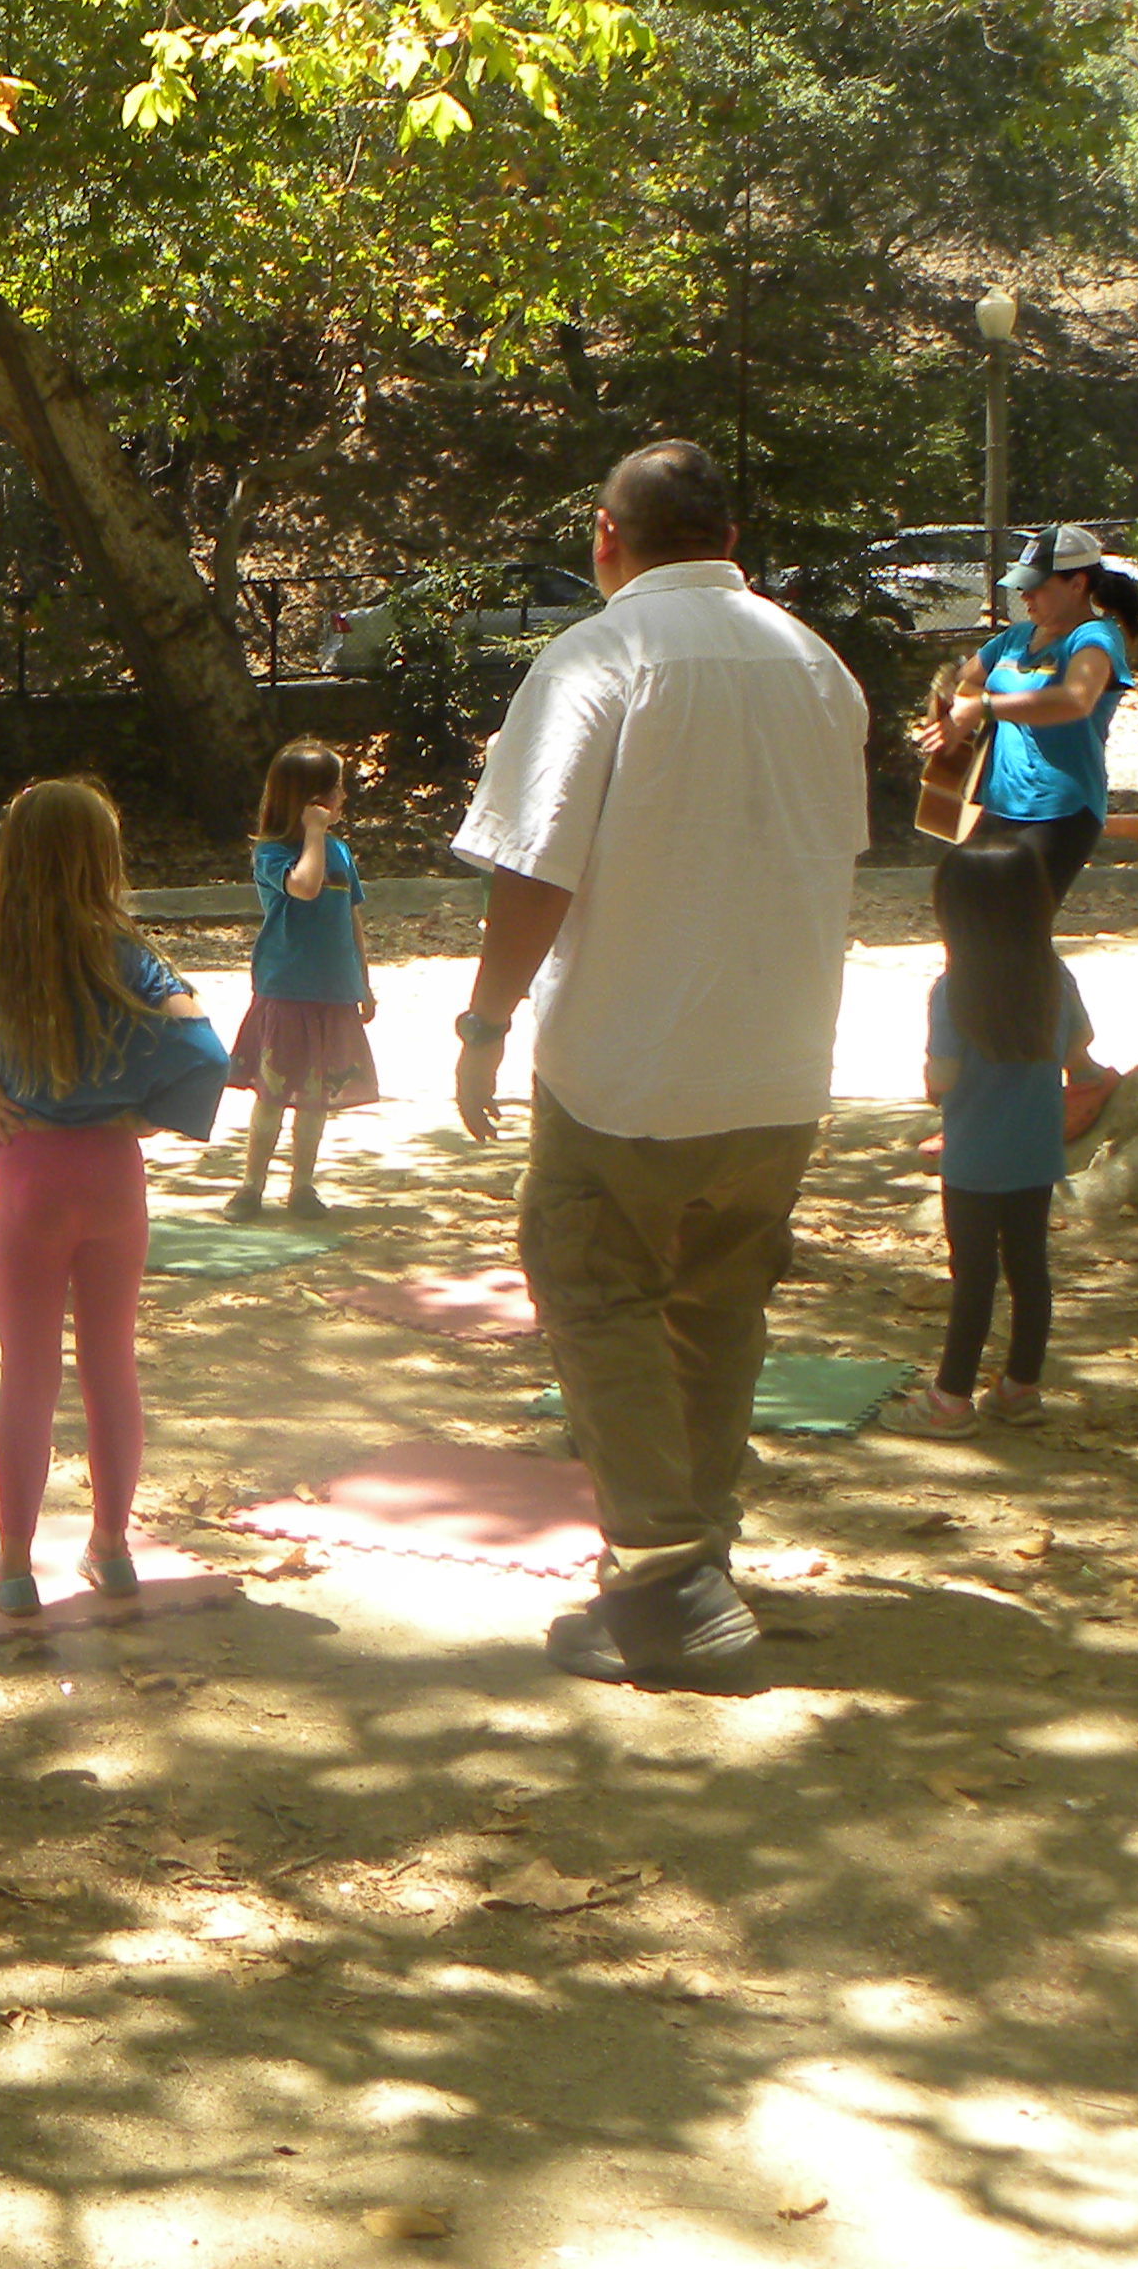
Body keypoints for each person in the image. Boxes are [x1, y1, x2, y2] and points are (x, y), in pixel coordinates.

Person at [450, 439, 868, 1693]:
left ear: (604, 535)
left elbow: (534, 865)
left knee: (596, 1290)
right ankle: (699, 1547)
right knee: (719, 1306)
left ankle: (666, 1579)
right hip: (780, 1067)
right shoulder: (817, 665)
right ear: (728, 538)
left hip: (628, 1068)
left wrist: (484, 1023)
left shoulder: (596, 657)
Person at [0, 777, 229, 1616]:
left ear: (14, 857)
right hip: (114, 1175)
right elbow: (207, 1052)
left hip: (31, 1174)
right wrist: (144, 1114)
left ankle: (14, 1567)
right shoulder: (128, 955)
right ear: (103, 859)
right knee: (111, 1365)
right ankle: (112, 1549)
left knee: (28, 1377)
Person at [881, 836, 1090, 1437]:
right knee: (1030, 1269)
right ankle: (1020, 1388)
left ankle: (950, 1399)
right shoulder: (1056, 977)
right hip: (1037, 1152)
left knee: (973, 1275)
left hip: (974, 1158)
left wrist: (932, 1085)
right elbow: (1080, 1053)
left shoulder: (953, 990)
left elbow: (942, 1078)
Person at [922, 523, 1138, 907]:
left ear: (1077, 585)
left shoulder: (1094, 638)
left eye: (1036, 586)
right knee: (965, 908)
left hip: (1060, 810)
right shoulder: (1013, 639)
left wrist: (984, 707)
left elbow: (1076, 700)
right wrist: (948, 710)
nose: (1024, 595)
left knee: (1017, 920)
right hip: (999, 803)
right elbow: (962, 683)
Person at [231, 739, 381, 1221]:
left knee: (315, 1099)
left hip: (333, 992)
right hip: (286, 990)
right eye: (335, 788)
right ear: (309, 800)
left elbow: (352, 918)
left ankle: (302, 1186)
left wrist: (363, 980)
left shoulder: (340, 851)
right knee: (273, 1095)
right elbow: (306, 886)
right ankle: (251, 1187)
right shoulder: (272, 853)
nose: (343, 797)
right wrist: (313, 834)